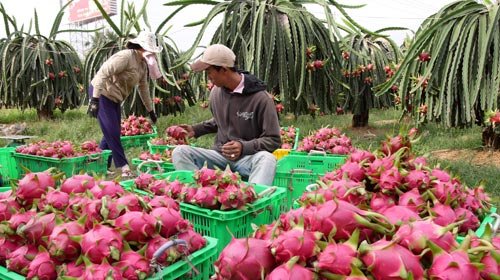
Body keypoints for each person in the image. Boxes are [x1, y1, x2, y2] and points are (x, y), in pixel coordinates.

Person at [172, 44, 281, 186]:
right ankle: (202, 194)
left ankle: (254, 201)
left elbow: (273, 140)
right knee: (180, 152)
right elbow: (220, 121)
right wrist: (196, 129)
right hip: (220, 157)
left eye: (209, 71)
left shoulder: (261, 98)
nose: (208, 77)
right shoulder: (215, 93)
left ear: (223, 69)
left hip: (247, 158)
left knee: (267, 159)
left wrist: (243, 147)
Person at [87, 31, 162, 177]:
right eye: (150, 50)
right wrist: (94, 99)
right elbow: (102, 74)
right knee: (113, 132)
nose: (152, 54)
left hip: (115, 98)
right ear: (142, 47)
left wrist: (150, 110)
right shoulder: (125, 57)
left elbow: (143, 88)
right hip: (102, 93)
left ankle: (100, 165)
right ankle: (124, 167)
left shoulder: (142, 65)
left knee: (111, 131)